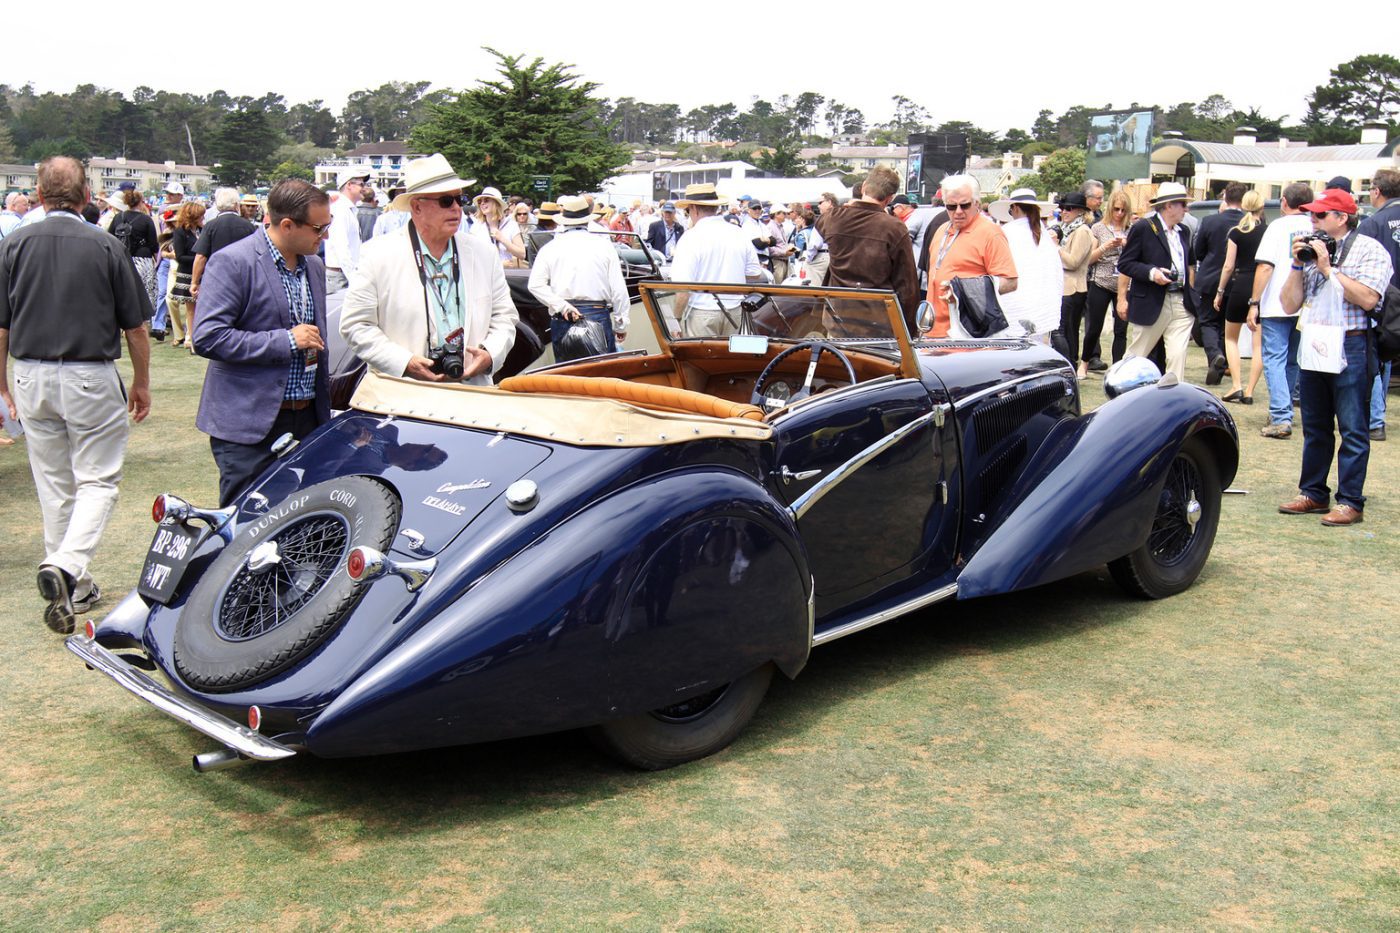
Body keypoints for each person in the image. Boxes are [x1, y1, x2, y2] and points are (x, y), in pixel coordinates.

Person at [0, 156, 152, 633]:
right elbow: (137, 327)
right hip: (87, 373)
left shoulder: (14, 244)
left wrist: (1, 383)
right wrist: (143, 382)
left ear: (40, 196)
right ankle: (67, 566)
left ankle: (73, 579)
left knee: (54, 484)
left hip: (30, 373)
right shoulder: (104, 245)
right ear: (86, 195)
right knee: (97, 481)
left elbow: (1, 325)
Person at [193, 180, 332, 506]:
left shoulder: (314, 265)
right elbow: (208, 337)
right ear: (286, 225)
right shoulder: (233, 261)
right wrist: (286, 341)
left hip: (308, 420)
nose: (324, 236)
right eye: (318, 228)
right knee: (244, 525)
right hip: (249, 427)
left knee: (304, 520)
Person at [340, 154, 517, 386]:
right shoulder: (376, 255)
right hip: (404, 398)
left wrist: (489, 353)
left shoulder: (484, 253)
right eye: (445, 201)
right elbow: (356, 326)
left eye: (459, 199)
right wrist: (404, 363)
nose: (457, 208)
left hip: (473, 396)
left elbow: (505, 317)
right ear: (416, 206)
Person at [1276, 187, 1392, 526]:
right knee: (1315, 425)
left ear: (1342, 217)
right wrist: (1298, 265)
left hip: (1352, 343)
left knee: (1354, 426)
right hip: (1314, 341)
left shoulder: (1370, 249)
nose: (1313, 220)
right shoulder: (1311, 249)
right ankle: (1312, 492)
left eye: (1321, 214)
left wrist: (1329, 269)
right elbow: (1288, 304)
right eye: (1312, 214)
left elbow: (1369, 299)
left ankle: (1350, 500)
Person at [818, 165, 923, 332]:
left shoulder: (833, 218)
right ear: (889, 199)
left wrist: (849, 207)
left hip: (837, 317)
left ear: (864, 187)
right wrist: (909, 329)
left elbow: (820, 224)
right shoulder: (894, 227)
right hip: (878, 322)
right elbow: (906, 284)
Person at [527, 195, 630, 360]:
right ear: (587, 219)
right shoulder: (604, 246)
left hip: (563, 316)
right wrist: (621, 324)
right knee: (603, 378)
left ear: (563, 220)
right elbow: (618, 290)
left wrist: (562, 306)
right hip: (596, 313)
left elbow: (535, 285)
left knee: (568, 378)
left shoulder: (550, 248)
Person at [1248, 183, 1314, 438]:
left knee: (1274, 358)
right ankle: (1283, 409)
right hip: (1305, 303)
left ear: (1284, 202)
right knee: (1292, 360)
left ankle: (1280, 415)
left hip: (1277, 301)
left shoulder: (1277, 226)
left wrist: (1254, 302)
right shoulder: (1314, 227)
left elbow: (1265, 267)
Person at [921, 173, 1017, 338]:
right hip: (933, 331)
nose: (958, 212)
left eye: (964, 205)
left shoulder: (990, 233)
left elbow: (1010, 282)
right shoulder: (941, 230)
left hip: (967, 334)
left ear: (976, 203)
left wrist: (962, 291)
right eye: (951, 206)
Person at [1118, 182, 1198, 381]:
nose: (1186, 209)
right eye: (1182, 204)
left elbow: (1190, 264)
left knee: (1177, 356)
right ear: (1169, 206)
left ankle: (1173, 400)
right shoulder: (1144, 227)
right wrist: (1152, 273)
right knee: (1137, 356)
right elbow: (1125, 264)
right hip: (1153, 301)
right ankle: (1120, 390)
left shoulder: (1184, 231)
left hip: (1181, 302)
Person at [667, 183, 764, 337]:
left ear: (694, 209)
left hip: (702, 310)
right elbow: (754, 273)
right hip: (735, 309)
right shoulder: (738, 233)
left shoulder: (691, 237)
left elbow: (683, 288)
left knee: (700, 360)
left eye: (687, 210)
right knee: (729, 359)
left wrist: (676, 319)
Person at [1214, 191, 1268, 404]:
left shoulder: (1236, 232)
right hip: (1261, 286)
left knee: (1230, 338)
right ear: (1261, 206)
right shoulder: (1268, 231)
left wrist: (1220, 291)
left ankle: (1235, 384)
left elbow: (1228, 266)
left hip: (1241, 284)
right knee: (1258, 344)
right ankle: (1249, 390)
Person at [1359, 168, 1400, 441]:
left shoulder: (1373, 223)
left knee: (1378, 355)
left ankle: (1375, 420)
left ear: (1376, 191)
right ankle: (1377, 416)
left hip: (1385, 298)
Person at [988, 189, 1061, 341]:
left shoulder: (1007, 232)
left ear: (1014, 208)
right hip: (1039, 305)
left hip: (1014, 304)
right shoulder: (1044, 235)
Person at [1193, 183, 1246, 385]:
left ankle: (1215, 356)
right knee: (1228, 326)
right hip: (1239, 281)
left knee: (1208, 321)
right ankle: (1221, 362)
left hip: (1211, 278)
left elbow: (1199, 252)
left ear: (1226, 199)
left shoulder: (1209, 221)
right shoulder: (1250, 223)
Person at [1086, 188, 1131, 364]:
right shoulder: (1098, 228)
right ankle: (1086, 362)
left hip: (1125, 283)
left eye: (1123, 210)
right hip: (1101, 281)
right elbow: (1089, 259)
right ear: (1110, 208)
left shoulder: (1132, 229)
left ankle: (1117, 365)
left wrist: (1127, 245)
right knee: (1094, 327)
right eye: (1116, 209)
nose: (1119, 214)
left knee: (1121, 330)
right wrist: (1106, 246)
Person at [1054, 191, 1095, 375]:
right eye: (1062, 208)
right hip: (1064, 287)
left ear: (1080, 211)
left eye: (1068, 208)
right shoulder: (1067, 229)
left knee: (1067, 331)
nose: (1064, 211)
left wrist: (1056, 248)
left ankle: (1070, 366)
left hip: (1074, 288)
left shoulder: (1082, 231)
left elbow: (1073, 261)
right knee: (1064, 330)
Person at [190, 188, 256, 301]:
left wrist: (194, 282)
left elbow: (201, 256)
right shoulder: (249, 226)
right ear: (236, 205)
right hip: (242, 278)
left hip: (216, 278)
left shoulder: (210, 226)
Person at [168, 200, 206, 349]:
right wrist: (199, 259)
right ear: (193, 216)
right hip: (187, 273)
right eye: (201, 216)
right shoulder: (180, 232)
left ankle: (197, 335)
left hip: (203, 274)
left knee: (200, 307)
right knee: (191, 309)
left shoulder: (202, 230)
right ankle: (190, 337)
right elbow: (180, 256)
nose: (203, 218)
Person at [326, 169, 369, 293]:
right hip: (341, 276)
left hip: (344, 274)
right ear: (349, 185)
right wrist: (354, 280)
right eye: (361, 184)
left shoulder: (347, 210)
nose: (364, 188)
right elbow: (342, 248)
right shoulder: (340, 210)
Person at [472, 186, 525, 264]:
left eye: (486, 200)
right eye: (480, 202)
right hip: (485, 273)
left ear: (496, 204)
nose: (482, 203)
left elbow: (522, 254)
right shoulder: (476, 228)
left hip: (508, 274)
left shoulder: (511, 225)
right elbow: (473, 257)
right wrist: (500, 264)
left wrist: (503, 240)